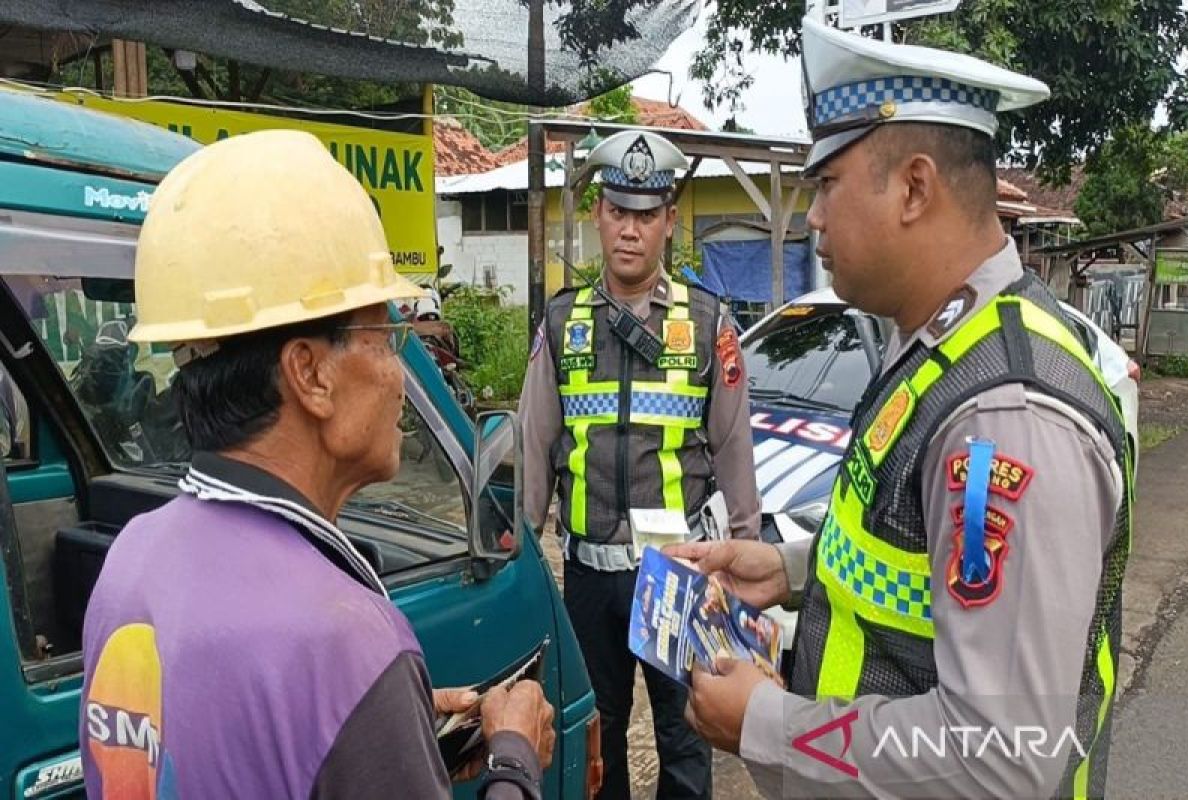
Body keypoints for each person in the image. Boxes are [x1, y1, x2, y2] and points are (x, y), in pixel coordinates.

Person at [667, 15, 1133, 799]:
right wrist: (788, 570)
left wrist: (767, 723)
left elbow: (1001, 755)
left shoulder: (1006, 419)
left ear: (915, 187)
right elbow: (919, 554)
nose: (813, 218)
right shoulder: (932, 348)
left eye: (828, 184)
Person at [79, 130, 554, 799]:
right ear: (309, 374)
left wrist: (387, 741)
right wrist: (514, 758)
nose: (397, 378)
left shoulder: (132, 558)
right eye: (386, 339)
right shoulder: (346, 643)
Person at [520, 129, 761, 799]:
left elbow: (734, 450)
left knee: (687, 736)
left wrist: (747, 553)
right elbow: (534, 444)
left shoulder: (707, 322)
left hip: (677, 571)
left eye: (646, 214)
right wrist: (519, 555)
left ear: (669, 221)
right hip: (589, 576)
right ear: (598, 214)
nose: (630, 230)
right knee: (597, 736)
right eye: (618, 211)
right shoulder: (562, 323)